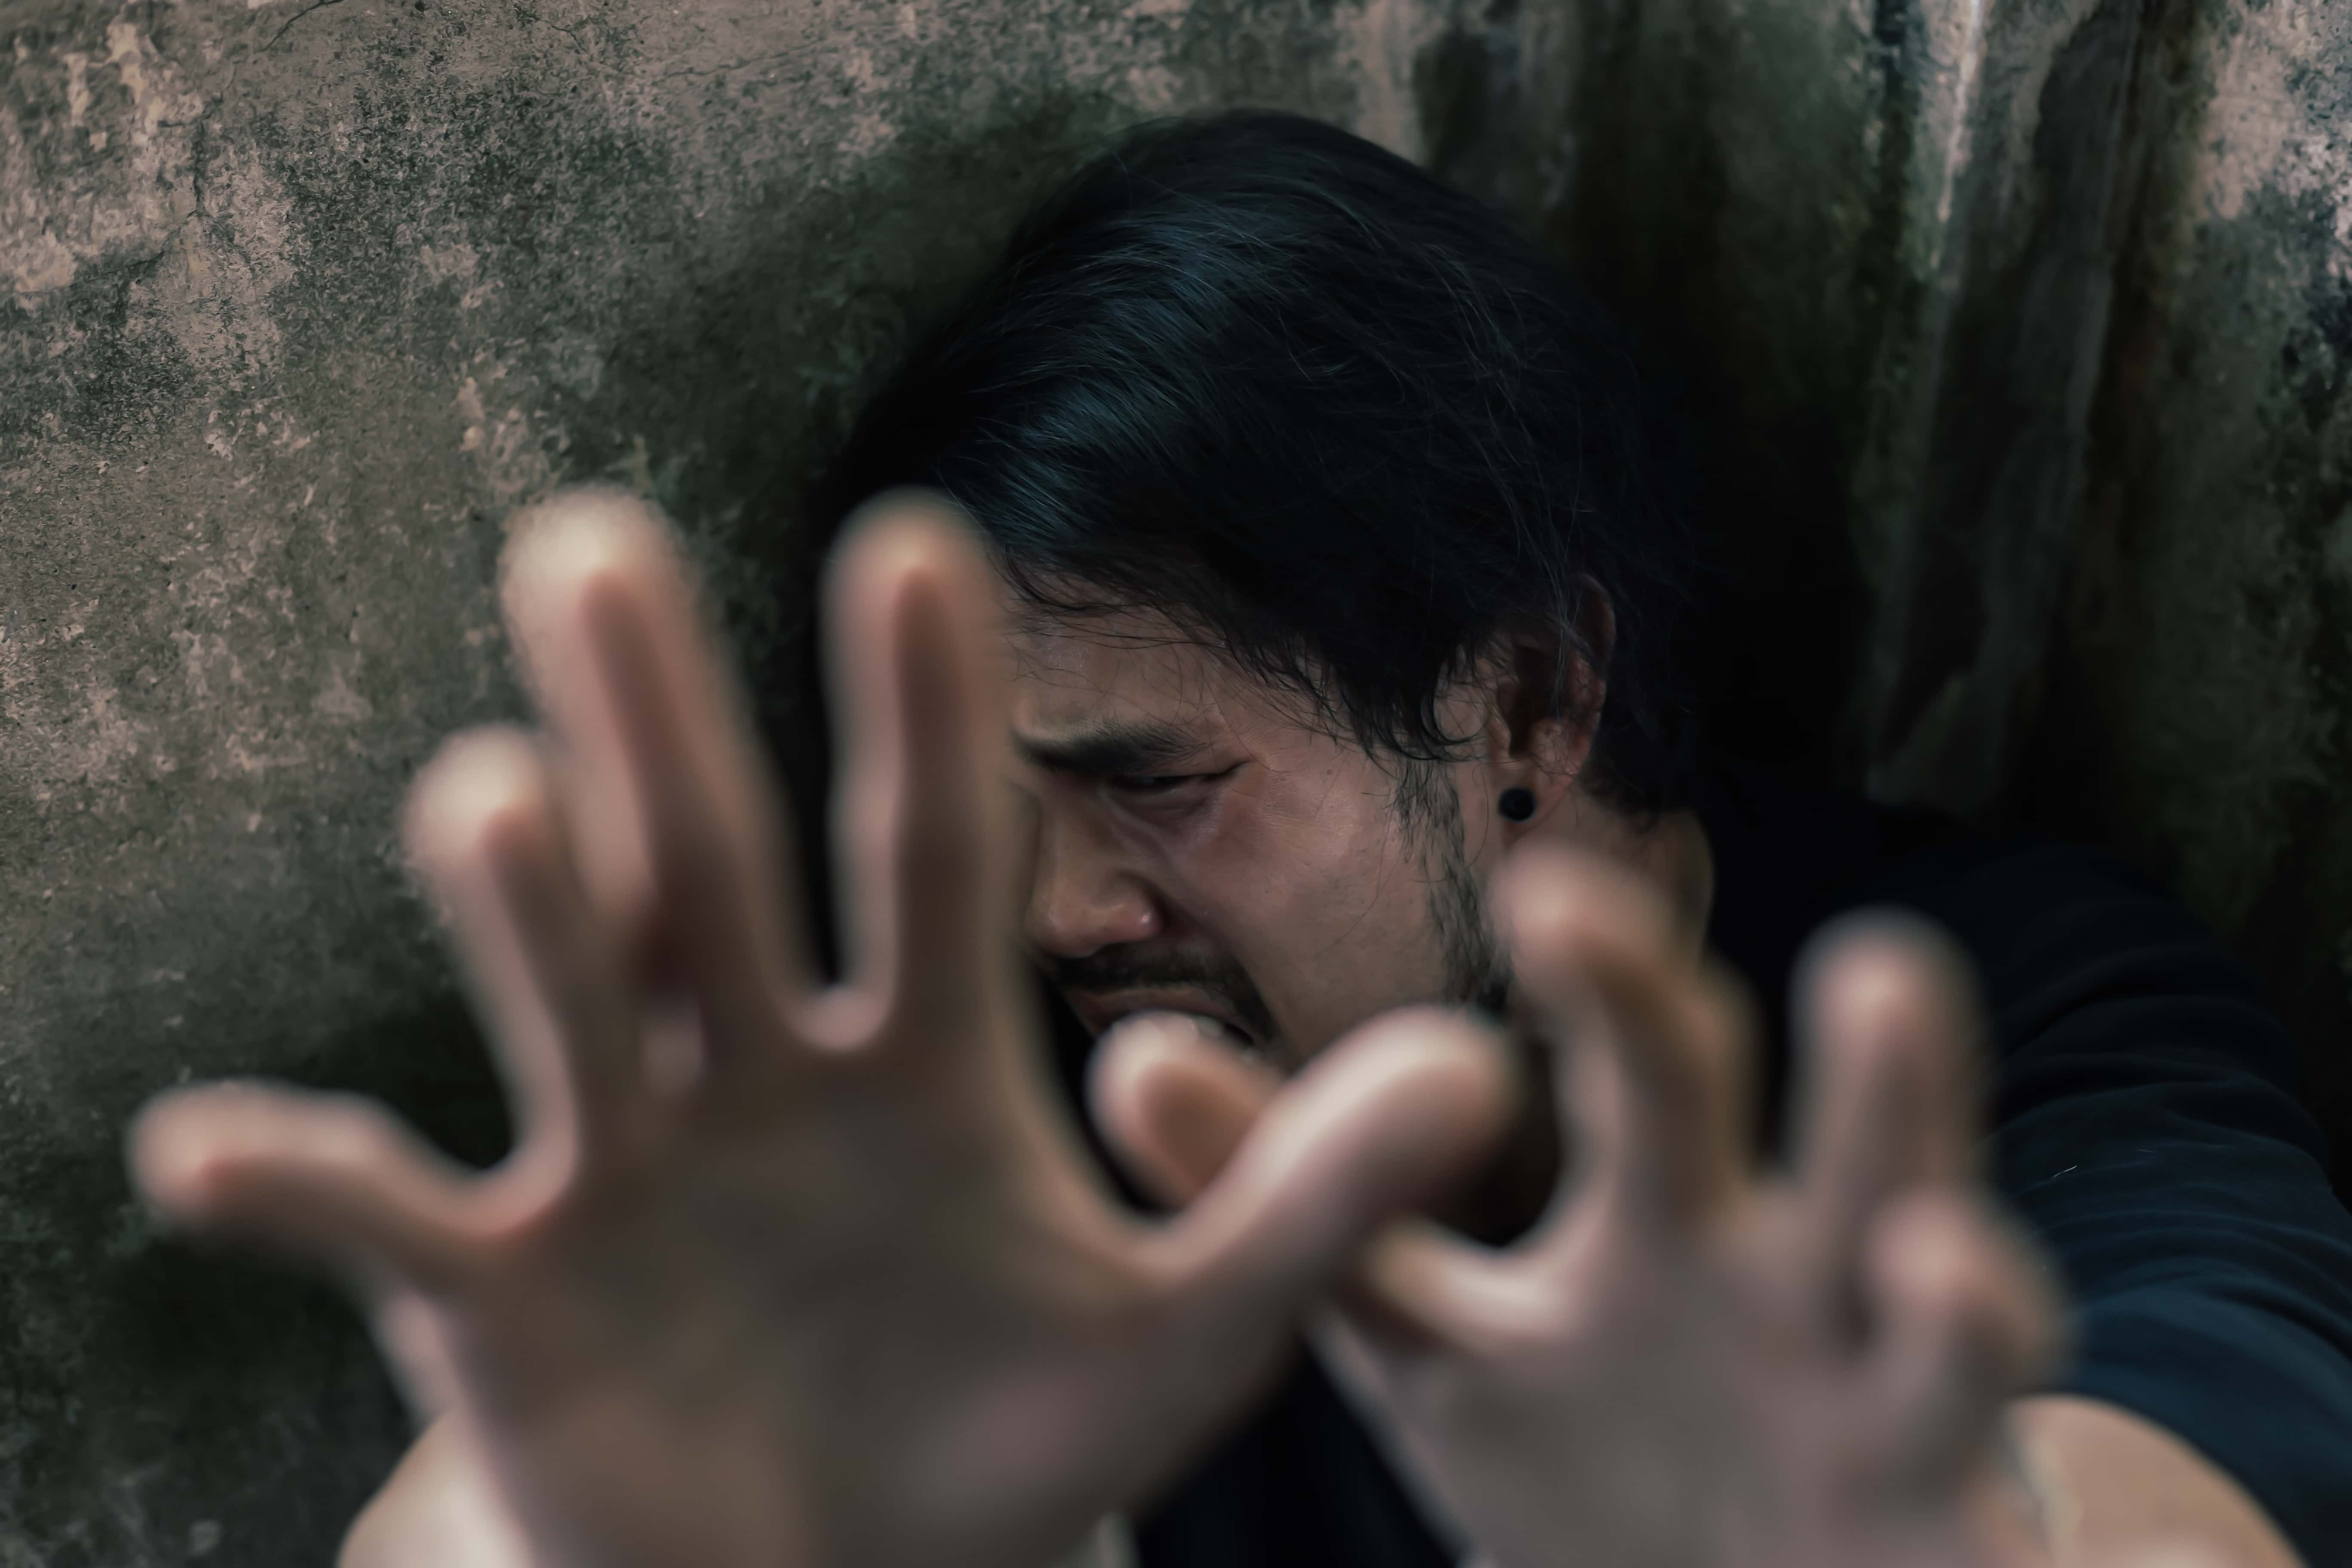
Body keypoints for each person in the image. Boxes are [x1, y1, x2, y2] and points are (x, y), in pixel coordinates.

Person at [129, 113, 2352, 1568]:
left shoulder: (2009, 1016)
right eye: (992, 814)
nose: (1065, 913)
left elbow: (2200, 1480)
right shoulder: (1011, 1107)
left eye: (1157, 781)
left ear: (1528, 700)